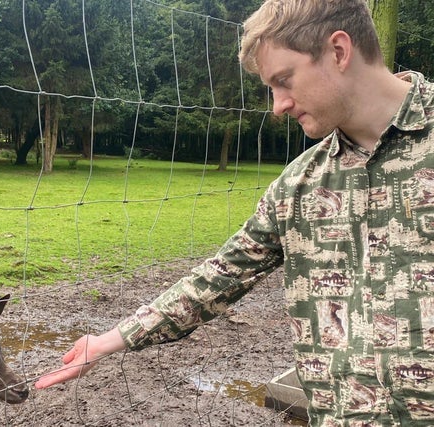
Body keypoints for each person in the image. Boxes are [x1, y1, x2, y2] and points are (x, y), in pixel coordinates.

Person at [36, 0, 434, 425]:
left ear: (338, 51)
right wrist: (104, 343)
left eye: (284, 80)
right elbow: (220, 275)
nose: (278, 105)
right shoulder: (299, 184)